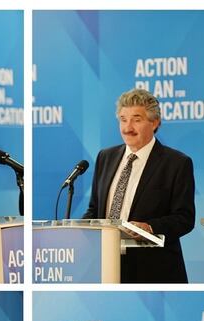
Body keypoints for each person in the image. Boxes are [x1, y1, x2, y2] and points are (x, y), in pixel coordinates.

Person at [83, 89, 195, 283]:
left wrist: (149, 227)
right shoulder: (105, 157)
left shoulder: (176, 163)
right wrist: (78, 230)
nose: (127, 128)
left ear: (155, 122)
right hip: (106, 267)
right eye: (123, 119)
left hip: (153, 271)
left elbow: (184, 218)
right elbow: (95, 210)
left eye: (136, 119)